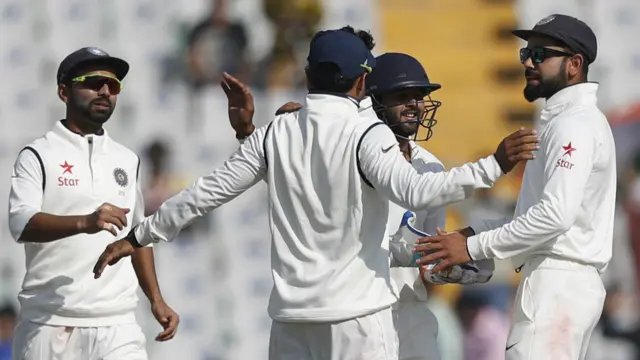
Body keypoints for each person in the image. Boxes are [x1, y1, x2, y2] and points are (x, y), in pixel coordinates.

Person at [93, 28, 538, 360]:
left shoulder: (275, 133)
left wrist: (139, 236)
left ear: (307, 76)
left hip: (291, 323)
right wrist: (493, 164)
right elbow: (416, 190)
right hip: (358, 320)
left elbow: (206, 193)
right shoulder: (367, 134)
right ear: (363, 84)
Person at [414, 14, 616, 360]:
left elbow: (554, 217)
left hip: (558, 285)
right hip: (560, 283)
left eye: (540, 54)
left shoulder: (574, 125)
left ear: (575, 64)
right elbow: (536, 216)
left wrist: (473, 246)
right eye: (526, 52)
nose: (527, 62)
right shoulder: (567, 121)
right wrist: (468, 238)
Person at [8, 47, 179, 360]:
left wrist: (156, 299)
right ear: (64, 92)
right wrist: (84, 222)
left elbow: (137, 235)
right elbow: (21, 223)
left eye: (113, 86)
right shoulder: (37, 155)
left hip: (116, 323)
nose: (104, 91)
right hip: (48, 322)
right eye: (93, 81)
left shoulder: (127, 160)